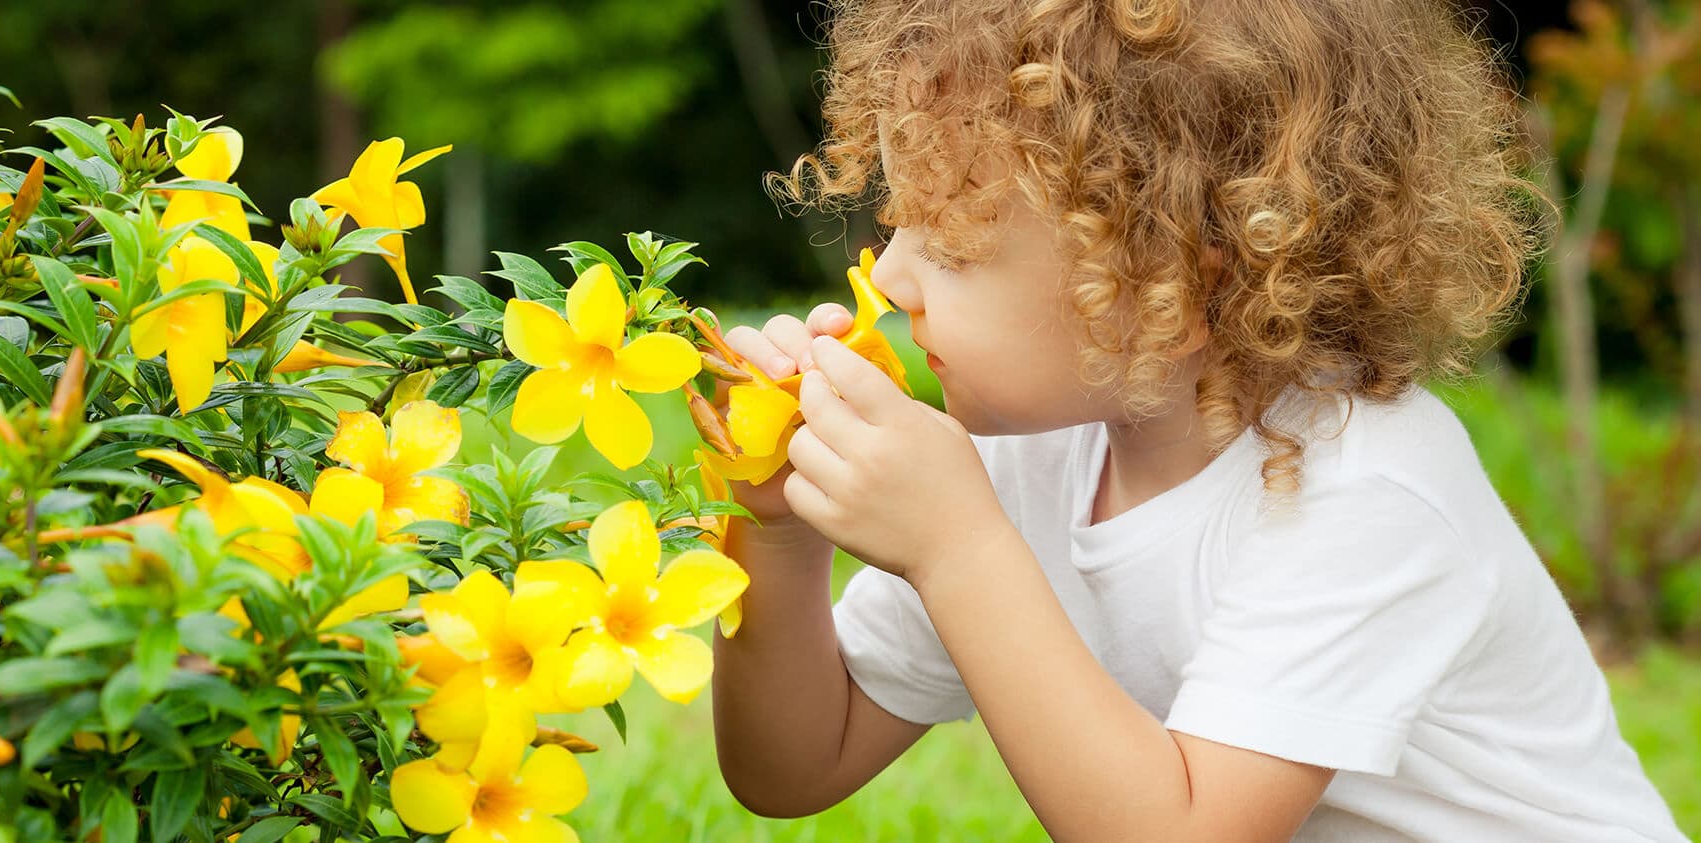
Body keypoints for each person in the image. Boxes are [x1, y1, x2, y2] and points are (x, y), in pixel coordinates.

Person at [708, 1, 1687, 840]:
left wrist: (957, 549)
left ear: (1169, 282)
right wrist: (778, 531)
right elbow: (796, 767)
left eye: (957, 250)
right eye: (900, 221)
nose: (889, 276)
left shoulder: (1363, 489)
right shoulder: (1031, 460)